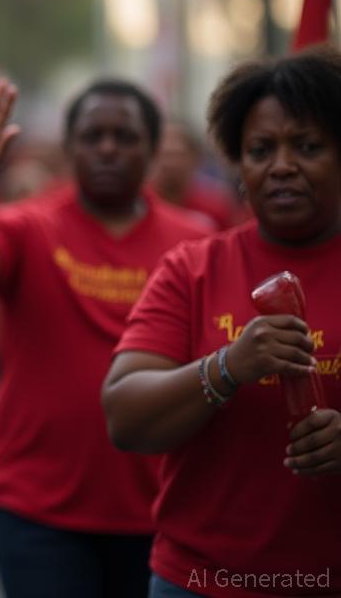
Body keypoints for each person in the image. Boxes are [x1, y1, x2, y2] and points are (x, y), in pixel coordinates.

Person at [0, 76, 212, 597]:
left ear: (151, 148)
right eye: (92, 135)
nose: (107, 148)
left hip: (163, 507)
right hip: (35, 507)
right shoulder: (26, 227)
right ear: (70, 147)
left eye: (124, 137)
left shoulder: (195, 244)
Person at [103, 48, 341, 598]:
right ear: (239, 167)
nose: (282, 165)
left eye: (307, 147)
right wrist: (229, 365)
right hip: (201, 581)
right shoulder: (193, 269)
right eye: (260, 150)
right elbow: (124, 416)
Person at [151, 119, 241, 231]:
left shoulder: (216, 203)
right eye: (165, 154)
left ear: (196, 157)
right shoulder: (139, 203)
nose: (170, 163)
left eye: (178, 154)